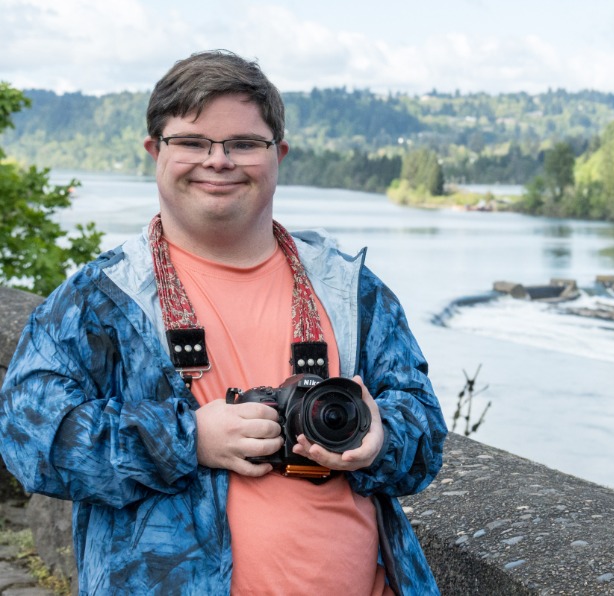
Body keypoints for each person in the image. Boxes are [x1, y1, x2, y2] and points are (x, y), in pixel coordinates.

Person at [0, 50, 447, 595]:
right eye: (192, 142)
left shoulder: (348, 290)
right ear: (154, 152)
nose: (219, 160)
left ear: (277, 154)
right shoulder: (102, 299)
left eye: (243, 143)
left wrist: (380, 440)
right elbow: (30, 439)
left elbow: (423, 428)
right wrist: (189, 438)